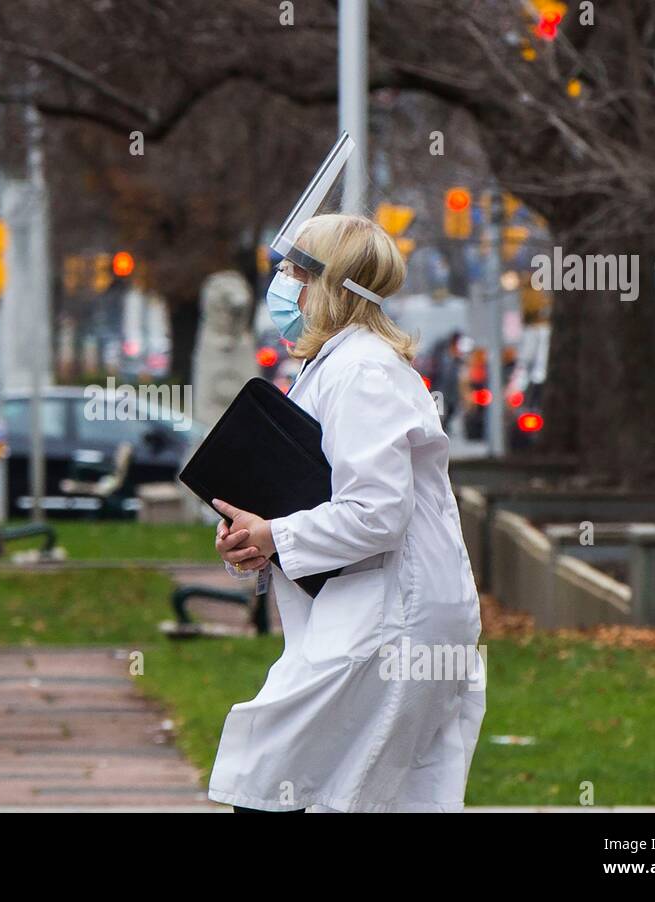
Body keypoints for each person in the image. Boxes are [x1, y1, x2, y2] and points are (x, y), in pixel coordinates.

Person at [209, 213, 485, 813]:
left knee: (277, 789)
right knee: (327, 792)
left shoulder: (362, 371)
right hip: (370, 614)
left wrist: (276, 533)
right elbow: (314, 494)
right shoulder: (333, 366)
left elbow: (377, 511)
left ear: (326, 285)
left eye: (291, 271)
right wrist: (257, 541)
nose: (281, 284)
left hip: (391, 622)